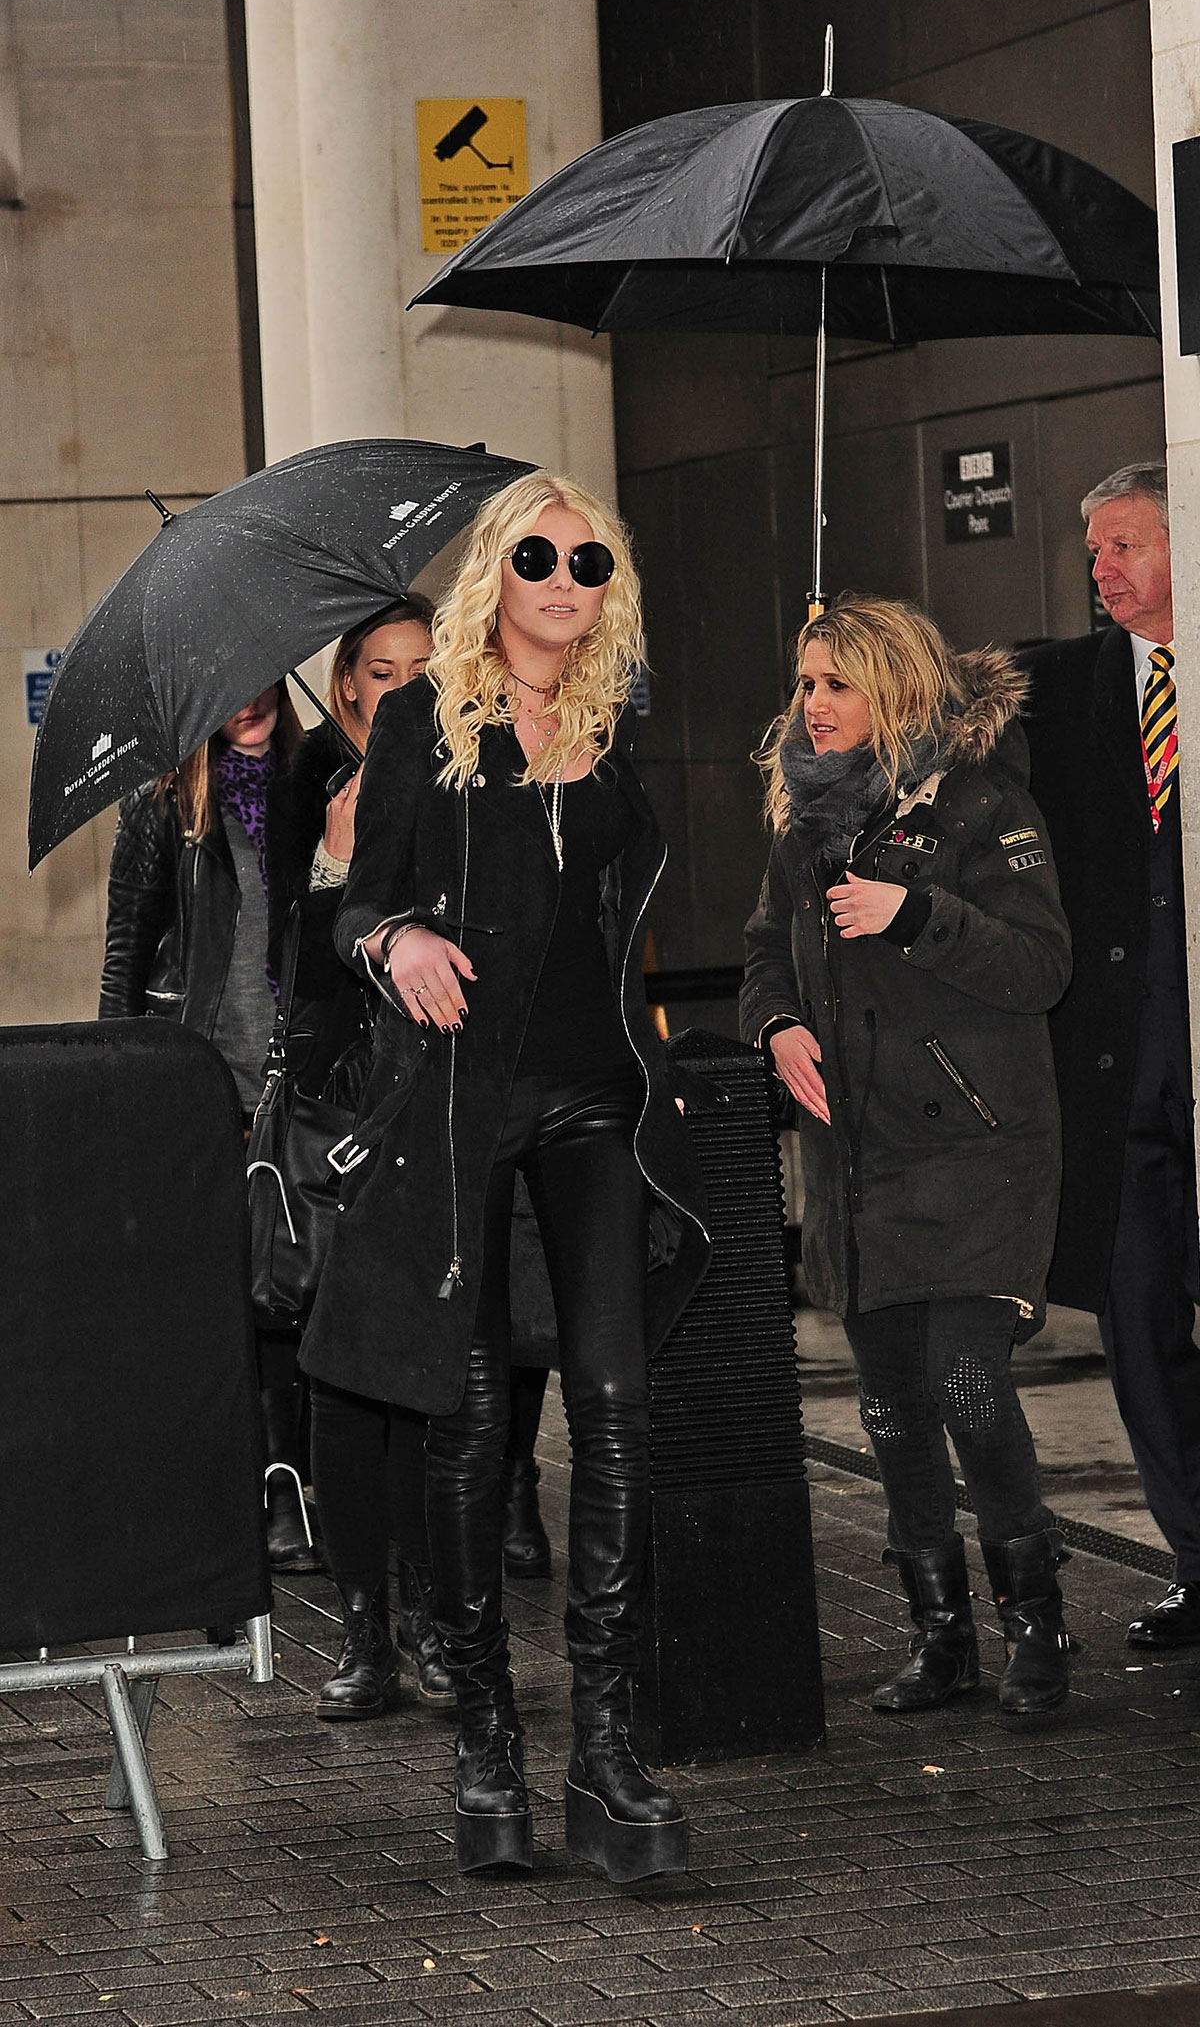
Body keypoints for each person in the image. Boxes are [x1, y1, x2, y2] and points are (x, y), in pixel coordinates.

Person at [301, 471, 710, 1878]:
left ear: (608, 587)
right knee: (472, 1426)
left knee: (618, 1405)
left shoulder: (612, 722)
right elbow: (359, 905)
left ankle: (605, 1751)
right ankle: (487, 1742)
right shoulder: (425, 721)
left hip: (596, 1097)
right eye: (536, 552)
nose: (561, 576)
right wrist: (392, 942)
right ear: (499, 571)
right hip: (463, 1106)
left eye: (587, 557)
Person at [741, 595, 1073, 1716]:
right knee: (888, 1405)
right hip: (854, 1161)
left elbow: (1041, 968)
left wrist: (915, 912)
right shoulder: (804, 819)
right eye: (805, 683)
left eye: (835, 682)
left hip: (978, 1151)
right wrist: (777, 1024)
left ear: (898, 688)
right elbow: (762, 958)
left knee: (968, 1383)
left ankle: (1039, 1625)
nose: (812, 703)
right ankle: (942, 1637)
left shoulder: (985, 803)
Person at [265, 599, 453, 1717]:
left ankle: (432, 1614)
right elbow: (295, 982)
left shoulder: (470, 773)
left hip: (437, 1106)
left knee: (429, 1376)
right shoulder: (312, 792)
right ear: (346, 690)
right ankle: (366, 1629)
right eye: (379, 671)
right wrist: (337, 872)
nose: (400, 687)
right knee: (340, 1380)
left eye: (421, 667)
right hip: (342, 1116)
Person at [1024, 462, 1200, 1649]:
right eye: (1094, 551)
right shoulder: (1056, 687)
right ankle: (1198, 1558)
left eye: (1127, 543)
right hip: (1118, 1073)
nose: (1104, 569)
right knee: (1139, 1321)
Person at [98, 684, 319, 1572]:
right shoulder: (164, 799)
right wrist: (121, 1084)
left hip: (302, 1082)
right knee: (238, 1288)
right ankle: (266, 1483)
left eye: (260, 673)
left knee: (304, 1279)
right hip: (203, 1085)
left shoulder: (321, 778)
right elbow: (128, 945)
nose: (247, 698)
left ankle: (309, 1479)